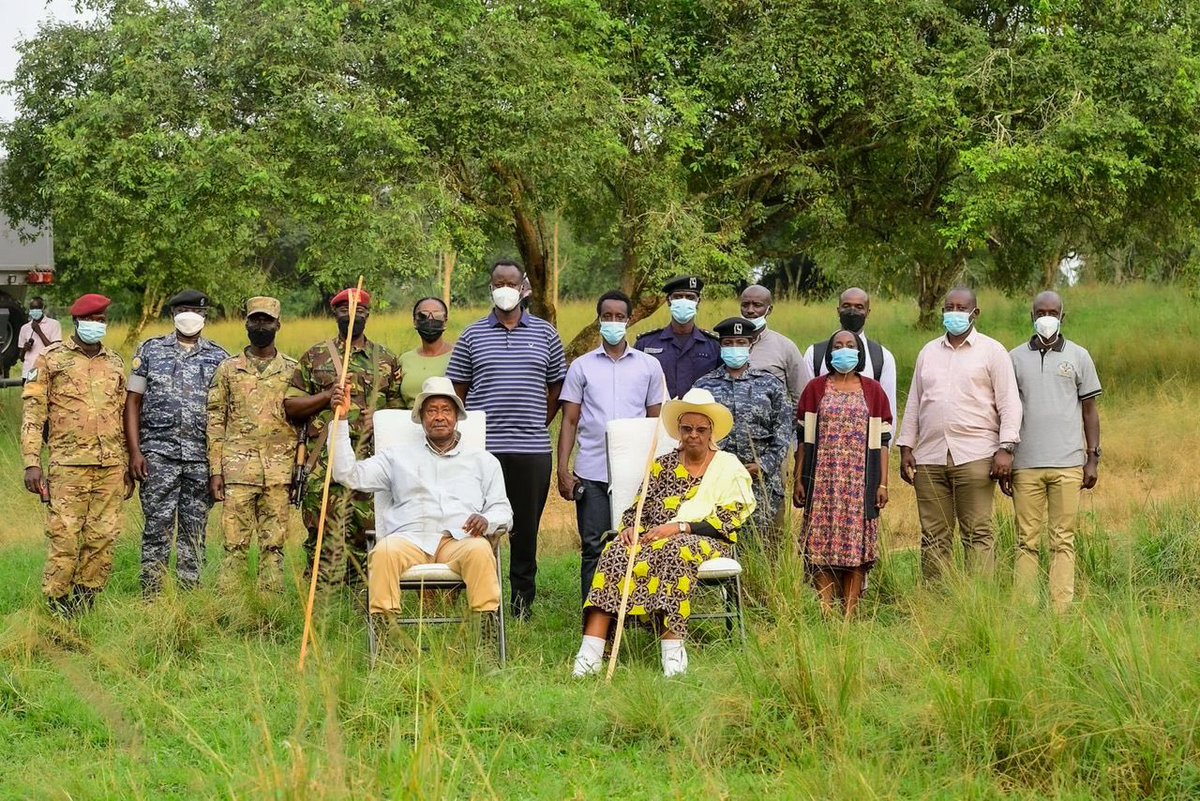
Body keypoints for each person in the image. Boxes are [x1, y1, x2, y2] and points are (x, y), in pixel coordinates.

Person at [572, 388, 756, 678]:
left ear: (711, 432)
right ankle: (589, 656)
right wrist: (630, 528)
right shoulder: (662, 466)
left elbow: (732, 516)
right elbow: (637, 507)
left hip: (704, 540)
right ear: (679, 431)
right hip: (652, 538)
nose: (693, 434)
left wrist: (681, 527)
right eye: (687, 428)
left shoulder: (728, 466)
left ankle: (673, 656)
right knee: (614, 551)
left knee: (674, 551)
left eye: (700, 429)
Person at [331, 376, 512, 636]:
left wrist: (487, 520)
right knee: (383, 552)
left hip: (459, 540)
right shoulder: (397, 457)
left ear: (457, 416)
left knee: (481, 551)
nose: (439, 417)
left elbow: (503, 511)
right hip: (409, 540)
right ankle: (385, 639)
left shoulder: (483, 461)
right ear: (421, 418)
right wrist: (340, 421)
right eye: (432, 411)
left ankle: (486, 637)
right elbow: (347, 475)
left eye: (446, 410)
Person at [447, 259, 566, 619]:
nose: (505, 289)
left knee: (525, 529)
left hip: (532, 449)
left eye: (511, 283)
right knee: (478, 524)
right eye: (498, 283)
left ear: (523, 287)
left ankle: (522, 603)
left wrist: (536, 422)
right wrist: (475, 432)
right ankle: (483, 599)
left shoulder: (546, 334)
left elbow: (556, 387)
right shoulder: (472, 335)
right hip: (483, 450)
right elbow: (458, 391)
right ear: (490, 288)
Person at [897, 287, 1022, 580]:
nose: (954, 313)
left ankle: (979, 602)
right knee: (933, 535)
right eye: (949, 307)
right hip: (930, 456)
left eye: (961, 308)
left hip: (976, 455)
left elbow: (1009, 404)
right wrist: (906, 447)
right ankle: (937, 602)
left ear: (974, 313)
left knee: (977, 532)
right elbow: (915, 401)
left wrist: (1006, 448)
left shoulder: (993, 351)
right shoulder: (928, 352)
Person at [284, 288, 403, 588]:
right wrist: (326, 397)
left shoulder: (386, 359)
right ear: (334, 313)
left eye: (359, 312)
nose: (352, 317)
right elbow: (291, 406)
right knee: (322, 533)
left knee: (368, 533)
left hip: (370, 463)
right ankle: (322, 599)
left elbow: (402, 414)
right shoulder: (315, 356)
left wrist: (379, 418)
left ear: (368, 315)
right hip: (323, 464)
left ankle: (365, 597)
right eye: (345, 311)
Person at [21, 293, 130, 616]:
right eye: (91, 320)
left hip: (109, 465)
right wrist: (31, 463)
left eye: (101, 320)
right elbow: (33, 413)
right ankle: (57, 603)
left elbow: (122, 415)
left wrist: (125, 463)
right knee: (65, 535)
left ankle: (86, 601)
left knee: (103, 536)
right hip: (68, 465)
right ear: (77, 322)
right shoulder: (52, 359)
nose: (97, 325)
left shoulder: (114, 362)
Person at [557, 289, 666, 601]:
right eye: (608, 317)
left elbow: (655, 421)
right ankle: (594, 614)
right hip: (592, 470)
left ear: (629, 321)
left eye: (620, 317)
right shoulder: (581, 366)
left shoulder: (648, 366)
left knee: (639, 542)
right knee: (594, 545)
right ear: (599, 319)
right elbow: (569, 421)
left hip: (637, 473)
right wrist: (562, 470)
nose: (614, 322)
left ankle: (634, 610)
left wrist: (655, 470)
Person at [126, 289, 230, 594]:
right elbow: (133, 402)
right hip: (157, 456)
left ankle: (190, 599)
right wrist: (135, 451)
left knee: (194, 532)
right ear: (173, 314)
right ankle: (153, 598)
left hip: (201, 459)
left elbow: (224, 413)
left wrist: (218, 466)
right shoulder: (150, 351)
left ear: (206, 316)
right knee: (156, 529)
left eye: (196, 311)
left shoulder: (220, 358)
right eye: (184, 309)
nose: (190, 316)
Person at [1009, 291, 1102, 611]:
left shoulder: (1079, 356)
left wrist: (1092, 457)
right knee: (1026, 541)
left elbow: (1089, 410)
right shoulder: (1014, 358)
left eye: (1052, 312)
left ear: (1063, 317)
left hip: (1068, 464)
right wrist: (1006, 455)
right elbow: (1006, 411)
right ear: (1031, 316)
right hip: (1025, 465)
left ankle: (1061, 608)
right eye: (1040, 312)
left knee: (1063, 540)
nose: (1045, 317)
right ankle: (1025, 607)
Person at [794, 330, 893, 617]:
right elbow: (802, 439)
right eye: (838, 346)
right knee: (821, 544)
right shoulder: (815, 389)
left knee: (856, 548)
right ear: (829, 353)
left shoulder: (873, 392)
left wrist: (883, 484)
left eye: (850, 345)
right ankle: (826, 609)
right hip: (823, 480)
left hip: (860, 481)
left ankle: (850, 612)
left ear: (859, 353)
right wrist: (799, 478)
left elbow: (884, 443)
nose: (844, 350)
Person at [206, 297, 299, 593]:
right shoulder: (228, 369)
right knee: (234, 545)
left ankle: (269, 610)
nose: (261, 326)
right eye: (255, 320)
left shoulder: (293, 370)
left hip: (279, 473)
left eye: (267, 321)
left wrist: (297, 470)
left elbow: (302, 424)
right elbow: (215, 421)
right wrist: (215, 471)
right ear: (246, 323)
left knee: (274, 547)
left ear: (278, 325)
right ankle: (230, 607)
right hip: (237, 472)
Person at [694, 316, 792, 548]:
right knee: (720, 544)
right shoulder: (704, 386)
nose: (734, 348)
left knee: (767, 548)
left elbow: (783, 430)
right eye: (729, 343)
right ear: (721, 345)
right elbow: (694, 434)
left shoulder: (770, 384)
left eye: (740, 342)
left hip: (763, 485)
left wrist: (764, 465)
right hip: (718, 482)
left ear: (750, 345)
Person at [802, 288, 898, 422]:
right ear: (838, 310)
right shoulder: (814, 354)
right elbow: (805, 407)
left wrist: (884, 442)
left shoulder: (882, 357)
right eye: (846, 306)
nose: (852, 312)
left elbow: (889, 413)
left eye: (859, 307)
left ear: (867, 312)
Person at [634, 275, 721, 399]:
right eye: (678, 297)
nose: (684, 301)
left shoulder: (714, 346)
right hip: (659, 415)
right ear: (669, 301)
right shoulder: (646, 343)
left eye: (690, 297)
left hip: (699, 415)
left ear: (698, 302)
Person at [740, 284, 812, 406]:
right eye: (745, 305)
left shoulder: (785, 347)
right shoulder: (726, 344)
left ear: (769, 309)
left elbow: (801, 396)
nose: (750, 310)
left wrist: (789, 424)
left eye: (757, 305)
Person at [399, 297, 454, 409]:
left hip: (446, 422)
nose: (430, 319)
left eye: (437, 315)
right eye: (423, 315)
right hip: (409, 422)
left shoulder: (459, 356)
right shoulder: (404, 359)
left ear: (445, 321)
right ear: (415, 321)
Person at [17, 296, 62, 382]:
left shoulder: (54, 324)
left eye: (37, 308)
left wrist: (39, 332)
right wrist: (24, 350)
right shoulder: (25, 328)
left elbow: (54, 351)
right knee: (30, 394)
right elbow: (21, 358)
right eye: (32, 308)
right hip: (30, 371)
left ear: (43, 308)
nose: (35, 310)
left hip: (47, 370)